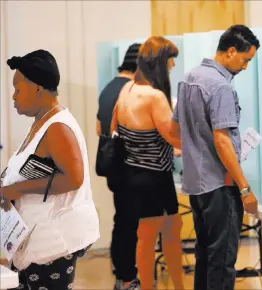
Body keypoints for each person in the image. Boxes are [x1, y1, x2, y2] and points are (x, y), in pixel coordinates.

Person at [0, 49, 100, 290]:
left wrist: (17, 189)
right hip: (34, 240)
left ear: (37, 88)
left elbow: (73, 179)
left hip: (53, 244)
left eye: (18, 88)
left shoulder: (57, 127)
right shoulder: (41, 121)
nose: (13, 96)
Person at [171, 25, 259, 290]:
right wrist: (245, 189)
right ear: (231, 51)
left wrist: (198, 149)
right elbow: (222, 141)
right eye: (245, 60)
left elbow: (175, 130)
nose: (245, 67)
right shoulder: (220, 87)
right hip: (221, 185)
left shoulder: (189, 77)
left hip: (197, 186)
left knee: (205, 256)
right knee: (221, 261)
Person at [111, 36, 184, 290]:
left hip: (133, 175)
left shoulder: (126, 90)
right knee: (168, 235)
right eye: (171, 61)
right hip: (155, 178)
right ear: (160, 63)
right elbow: (174, 137)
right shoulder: (154, 97)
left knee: (145, 236)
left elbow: (114, 130)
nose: (173, 67)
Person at [96, 43, 142, 290]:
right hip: (128, 167)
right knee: (130, 225)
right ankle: (128, 278)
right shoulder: (130, 90)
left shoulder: (108, 88)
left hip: (112, 166)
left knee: (121, 221)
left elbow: (98, 128)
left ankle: (121, 275)